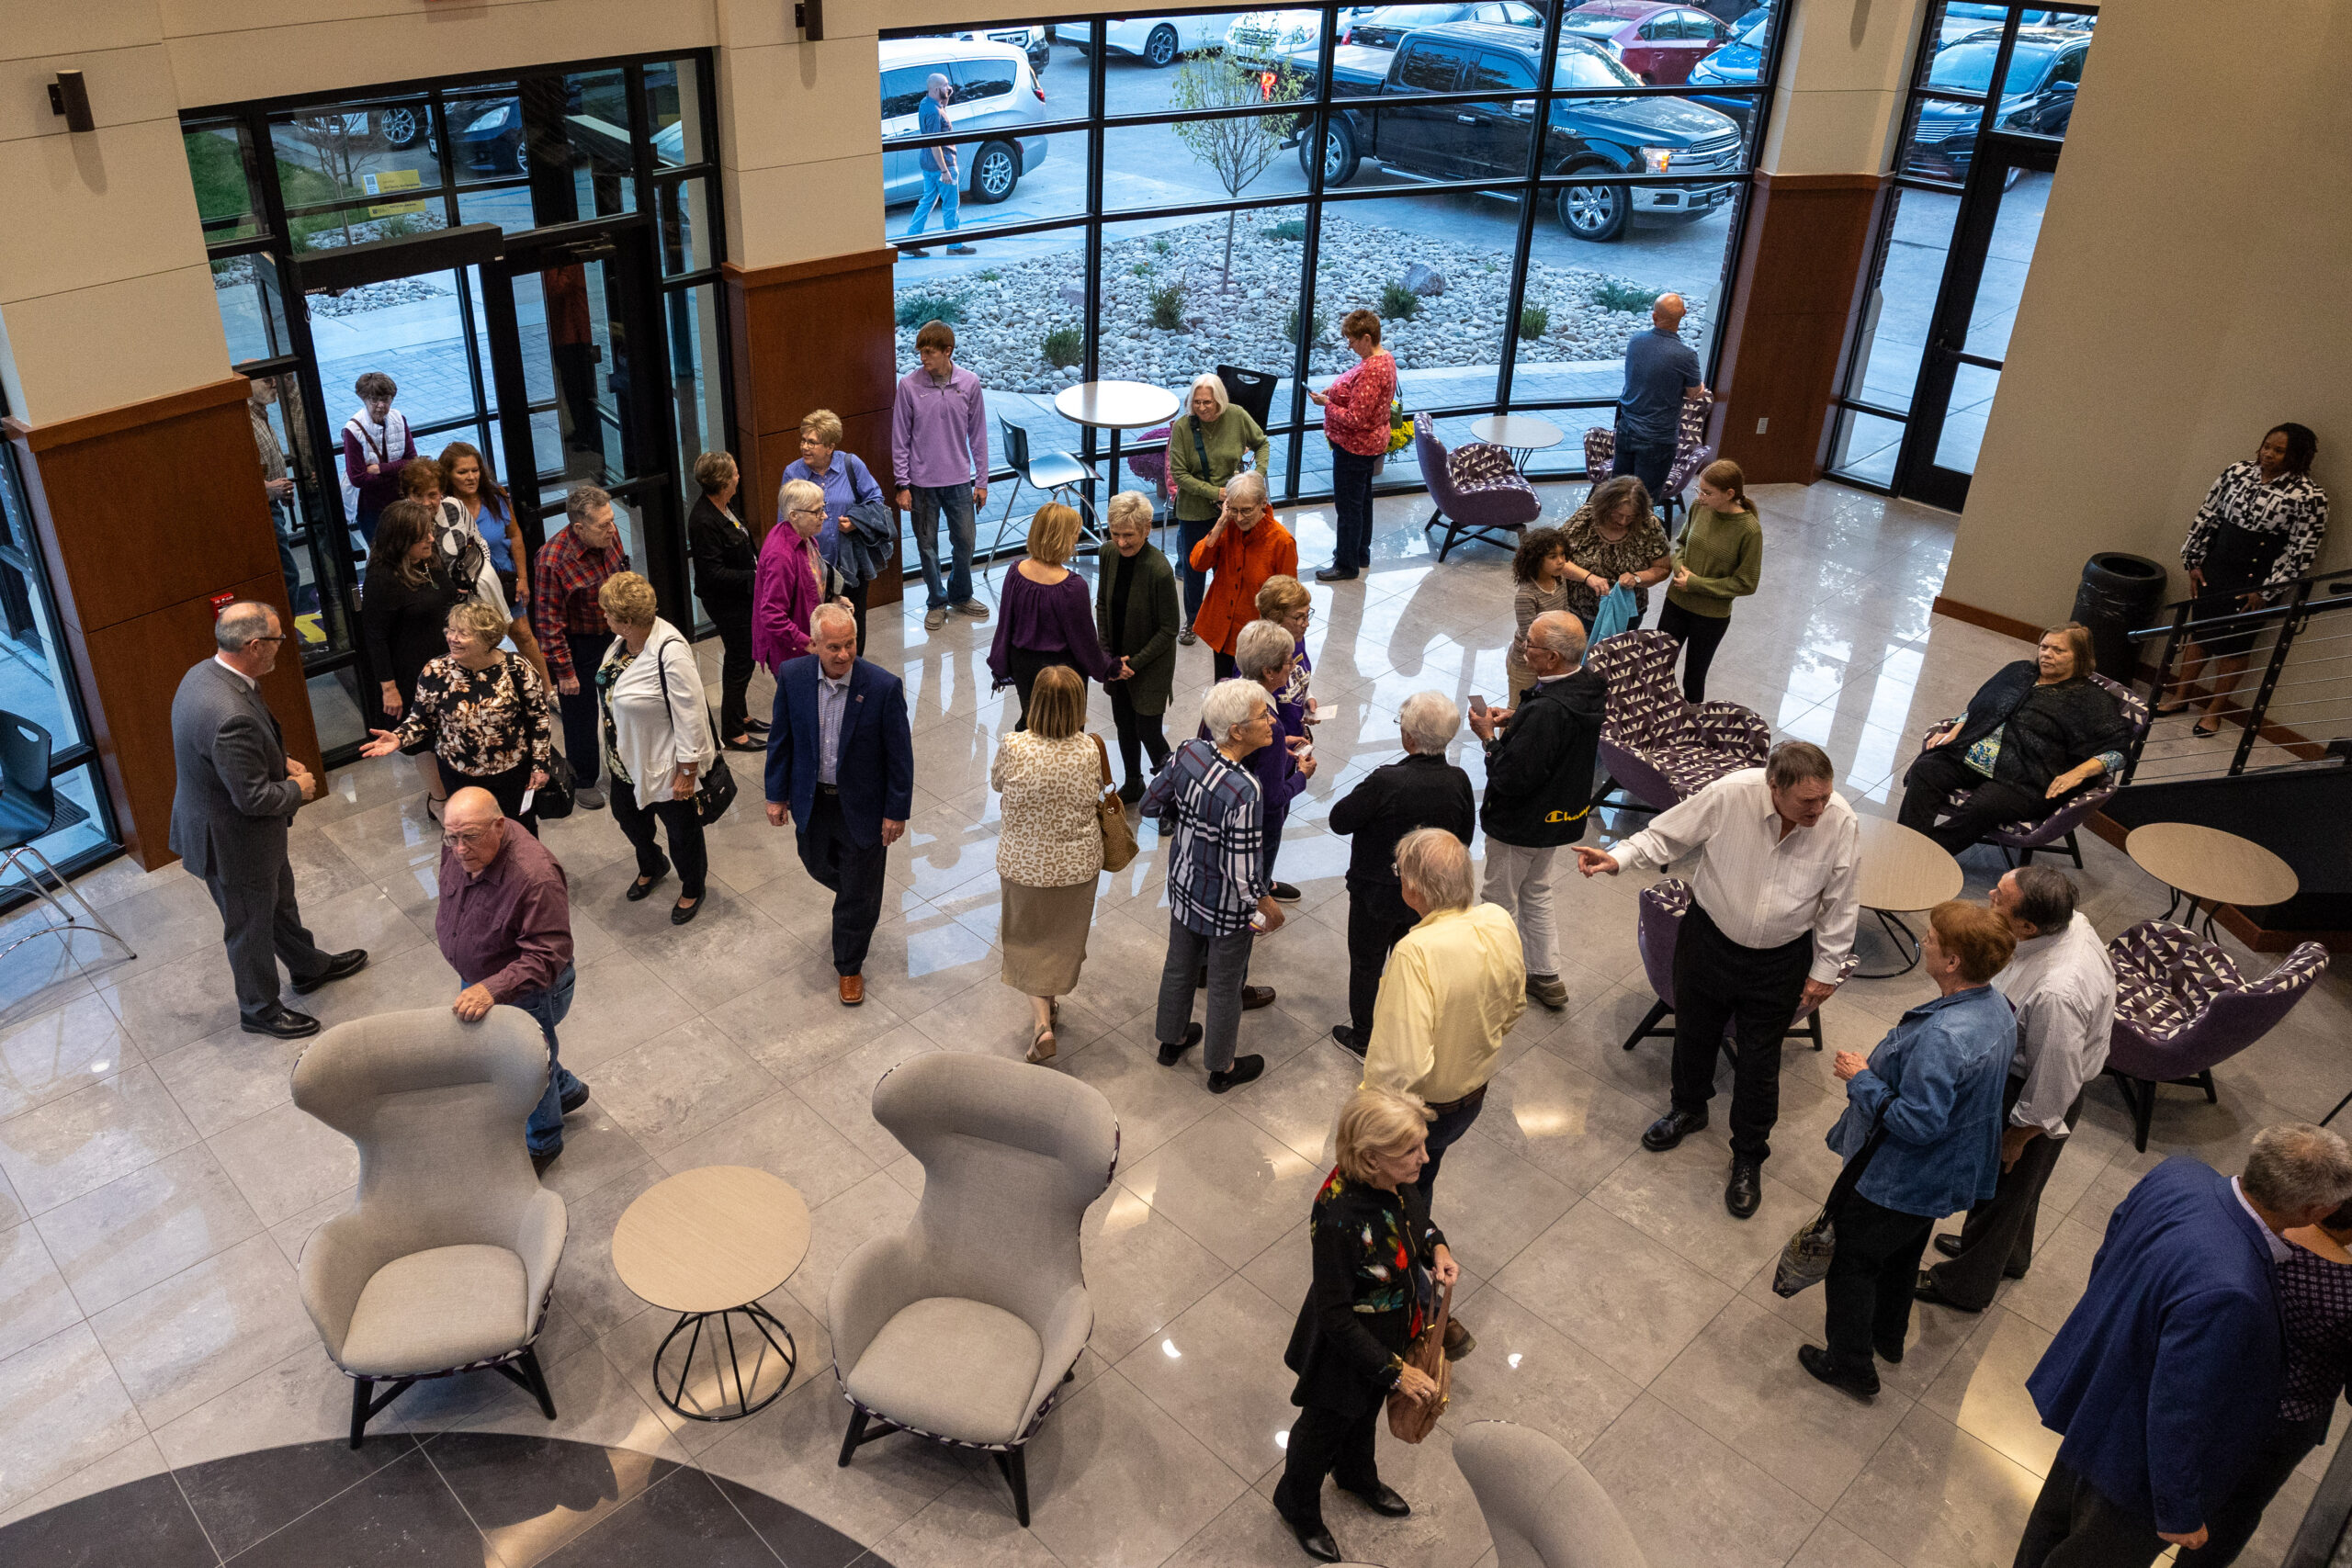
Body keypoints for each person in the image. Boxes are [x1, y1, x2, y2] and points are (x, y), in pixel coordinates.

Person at [2016, 1126, 2352, 1567]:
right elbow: (2180, 1407)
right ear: (2315, 1210)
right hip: (2139, 1467)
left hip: (2097, 1399)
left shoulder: (2178, 1173)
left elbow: (2111, 1250)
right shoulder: (2236, 1291)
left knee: (2052, 1521)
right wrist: (2177, 1512)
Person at [1575, 740, 1860, 1221]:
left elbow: (1842, 898)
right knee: (1693, 1031)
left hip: (1780, 959)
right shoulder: (1731, 793)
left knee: (1759, 1062)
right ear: (1774, 787)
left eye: (1824, 797)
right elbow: (1668, 835)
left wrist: (1826, 967)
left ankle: (1748, 1156)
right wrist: (1619, 857)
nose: (1819, 808)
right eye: (1807, 801)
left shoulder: (1839, 821)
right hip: (1709, 940)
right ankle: (1687, 1108)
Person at [1800, 901, 2018, 1401]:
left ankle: (1850, 1364)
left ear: (1954, 962)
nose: (1926, 940)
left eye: (1934, 939)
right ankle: (1887, 1336)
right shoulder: (1997, 1009)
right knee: (1902, 1252)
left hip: (1900, 1174)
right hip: (1941, 1175)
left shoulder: (1943, 1035)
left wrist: (1862, 1080)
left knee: (1852, 1259)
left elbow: (1917, 1122)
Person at [1274, 1086, 1459, 1564]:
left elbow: (1417, 1220)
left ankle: (1356, 1475)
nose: (1423, 1157)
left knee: (1363, 1416)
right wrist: (1396, 1372)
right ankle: (1296, 1503)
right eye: (1410, 1150)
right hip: (1345, 1351)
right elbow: (1335, 1315)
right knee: (1320, 1431)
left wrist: (1436, 1247)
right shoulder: (1337, 1217)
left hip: (1388, 1334)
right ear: (1370, 1157)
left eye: (1422, 1144)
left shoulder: (1396, 1182)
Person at [1917, 866, 2113, 1314]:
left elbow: (2054, 1080)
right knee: (2023, 1190)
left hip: (2034, 1094)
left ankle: (1965, 1285)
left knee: (2002, 1188)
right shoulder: (2069, 922)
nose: (1988, 894)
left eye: (1998, 899)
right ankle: (2007, 1257)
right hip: (2034, 1078)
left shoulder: (2057, 992)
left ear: (2027, 926)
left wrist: (2019, 1135)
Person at [169, 602, 367, 1041]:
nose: (286, 645)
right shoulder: (229, 714)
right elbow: (254, 798)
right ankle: (258, 1008)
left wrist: (280, 762)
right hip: (233, 843)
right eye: (280, 638)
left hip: (248, 838)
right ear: (254, 646)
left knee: (278, 903)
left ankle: (308, 968)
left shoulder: (205, 673)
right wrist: (299, 789)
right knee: (249, 927)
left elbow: (236, 762)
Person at [2179, 1199, 2352, 1567]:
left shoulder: (2265, 1230)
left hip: (2216, 1381)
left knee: (2182, 1474)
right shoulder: (2347, 1291)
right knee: (2236, 1510)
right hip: (2285, 1417)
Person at [1361, 829, 1524, 1207]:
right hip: (1472, 1099)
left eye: (1398, 872)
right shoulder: (1498, 920)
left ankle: (1401, 1258)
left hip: (1421, 1113)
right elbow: (1513, 1008)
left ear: (1413, 887)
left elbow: (1403, 1066)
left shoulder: (1415, 951)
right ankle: (1420, 1245)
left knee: (1388, 1198)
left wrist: (1368, 1120)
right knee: (1424, 1177)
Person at [765, 604, 915, 1006]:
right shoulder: (793, 678)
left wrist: (896, 810)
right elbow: (782, 739)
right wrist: (775, 794)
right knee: (817, 863)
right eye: (833, 646)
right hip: (813, 802)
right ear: (814, 644)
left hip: (863, 806)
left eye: (849, 644)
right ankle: (857, 894)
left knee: (857, 891)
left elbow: (900, 756)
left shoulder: (882, 687)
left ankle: (849, 965)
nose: (844, 654)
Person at [1146, 679, 1287, 1094]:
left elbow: (1153, 803)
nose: (1272, 722)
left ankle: (1169, 1043)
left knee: (1179, 967)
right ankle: (1220, 1068)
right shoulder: (1245, 790)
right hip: (1226, 908)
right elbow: (1243, 872)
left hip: (1184, 887)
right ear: (1238, 731)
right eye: (1263, 715)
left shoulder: (1189, 750)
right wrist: (1266, 907)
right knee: (1225, 986)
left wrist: (1193, 817)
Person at [435, 787, 588, 1170]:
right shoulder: (459, 841)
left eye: (468, 836)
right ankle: (565, 1089)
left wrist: (491, 989)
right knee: (535, 1052)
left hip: (526, 990)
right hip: (483, 978)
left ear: (498, 826)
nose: (459, 849)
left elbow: (547, 954)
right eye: (450, 837)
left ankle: (543, 1142)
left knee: (526, 1065)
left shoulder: (535, 877)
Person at [1896, 622, 2131, 858]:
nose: (2047, 654)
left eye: (2058, 650)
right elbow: (1981, 704)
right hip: (1973, 753)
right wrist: (1958, 727)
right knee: (1926, 769)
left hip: (2027, 778)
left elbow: (2118, 750)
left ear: (2079, 656)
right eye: (2044, 646)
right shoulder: (2017, 671)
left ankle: (1926, 856)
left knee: (1985, 806)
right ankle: (1908, 844)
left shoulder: (2091, 699)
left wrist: (2077, 773)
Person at [1471, 612, 1606, 1014]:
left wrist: (1489, 739)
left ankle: (1497, 981)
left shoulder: (1547, 712)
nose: (1521, 645)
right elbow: (1557, 735)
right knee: (1537, 890)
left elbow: (1512, 777)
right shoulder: (1588, 686)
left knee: (1498, 900)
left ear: (1549, 658)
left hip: (1521, 822)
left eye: (1528, 642)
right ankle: (1546, 974)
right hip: (1559, 816)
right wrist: (1521, 718)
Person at [1329, 692, 1475, 1058]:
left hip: (1376, 893)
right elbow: (1465, 838)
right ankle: (1410, 1031)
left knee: (1366, 962)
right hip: (1429, 897)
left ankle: (1364, 1037)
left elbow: (1340, 820)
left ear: (1410, 738)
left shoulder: (1386, 781)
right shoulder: (1459, 780)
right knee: (1414, 964)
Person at [2169, 423, 2329, 739]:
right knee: (2199, 632)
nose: (2267, 454)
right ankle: (2179, 697)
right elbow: (2208, 514)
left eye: (2278, 450)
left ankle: (2214, 711)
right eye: (2266, 446)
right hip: (2216, 567)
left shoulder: (2310, 496)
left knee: (2234, 645)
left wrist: (2269, 591)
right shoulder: (2237, 472)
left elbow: (2302, 550)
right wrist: (2194, 560)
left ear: (2296, 456)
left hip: (2257, 580)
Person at [357, 601, 553, 836]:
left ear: (487, 638)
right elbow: (421, 719)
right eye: (450, 630)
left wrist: (540, 764)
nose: (452, 638)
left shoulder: (517, 668)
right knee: (471, 835)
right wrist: (398, 738)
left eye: (463, 633)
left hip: (512, 772)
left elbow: (539, 717)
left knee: (519, 833)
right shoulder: (436, 670)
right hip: (460, 775)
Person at [990, 665, 1102, 1065]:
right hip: (1076, 867)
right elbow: (1095, 795)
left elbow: (998, 784)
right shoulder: (1089, 748)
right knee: (1058, 943)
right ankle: (1048, 1011)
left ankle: (1042, 1026)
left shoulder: (1013, 745)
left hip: (1024, 866)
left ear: (1032, 702)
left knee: (1025, 942)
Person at [594, 572, 717, 926]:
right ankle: (652, 864)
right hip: (624, 762)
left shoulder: (670, 652)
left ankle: (693, 886)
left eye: (609, 614)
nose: (605, 618)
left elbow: (691, 716)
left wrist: (687, 773)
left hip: (664, 765)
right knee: (628, 818)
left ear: (628, 621)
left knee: (682, 832)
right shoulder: (623, 644)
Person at [359, 498, 466, 815]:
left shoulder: (428, 561)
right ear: (401, 539)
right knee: (425, 739)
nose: (431, 540)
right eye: (423, 536)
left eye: (430, 532)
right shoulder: (382, 578)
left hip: (450, 663)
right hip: (413, 673)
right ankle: (439, 800)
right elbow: (375, 637)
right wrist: (388, 687)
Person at [531, 483, 629, 809]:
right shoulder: (552, 560)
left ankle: (627, 766)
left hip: (616, 634)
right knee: (580, 715)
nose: (612, 530)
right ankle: (584, 778)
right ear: (578, 527)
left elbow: (623, 575)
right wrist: (565, 673)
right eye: (603, 525)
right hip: (580, 645)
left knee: (625, 704)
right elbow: (548, 624)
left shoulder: (609, 537)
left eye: (612, 520)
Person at [891, 319, 990, 630]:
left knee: (966, 541)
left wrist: (982, 481)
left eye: (929, 353)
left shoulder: (970, 383)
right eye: (921, 353)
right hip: (921, 486)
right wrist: (902, 484)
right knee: (926, 545)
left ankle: (961, 595)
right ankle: (937, 600)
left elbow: (979, 435)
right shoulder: (908, 386)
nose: (923, 359)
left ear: (948, 351)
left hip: (960, 481)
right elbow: (899, 438)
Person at [988, 502, 1121, 726]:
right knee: (1066, 732)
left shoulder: (1015, 572)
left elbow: (1005, 625)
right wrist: (1109, 667)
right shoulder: (1072, 587)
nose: (1076, 542)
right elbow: (1085, 644)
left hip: (1024, 666)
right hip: (1063, 675)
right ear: (1062, 539)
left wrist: (1001, 664)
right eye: (1074, 536)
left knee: (1033, 724)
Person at [1167, 372, 1272, 637]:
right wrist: (1217, 492)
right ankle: (1192, 621)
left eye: (1208, 403)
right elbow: (1180, 474)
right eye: (1197, 402)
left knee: (1229, 567)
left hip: (1232, 510)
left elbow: (1262, 444)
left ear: (1220, 401)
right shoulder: (1182, 428)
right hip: (1194, 511)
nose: (1202, 408)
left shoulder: (1236, 416)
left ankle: (1226, 617)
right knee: (1194, 568)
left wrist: (1255, 477)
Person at [439, 442, 549, 687]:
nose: (471, 477)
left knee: (523, 636)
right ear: (448, 474)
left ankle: (547, 689)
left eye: (475, 470)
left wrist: (523, 578)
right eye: (462, 472)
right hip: (469, 591)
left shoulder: (495, 496)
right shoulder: (444, 508)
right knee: (479, 645)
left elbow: (516, 536)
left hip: (505, 581)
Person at [1095, 491, 1181, 801]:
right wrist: (1107, 657)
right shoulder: (1107, 554)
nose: (1121, 542)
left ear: (1147, 529)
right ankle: (1134, 782)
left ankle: (1172, 795)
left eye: (1128, 535)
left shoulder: (1159, 570)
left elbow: (1170, 628)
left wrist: (1135, 663)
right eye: (1115, 534)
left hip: (1150, 666)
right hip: (1117, 663)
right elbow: (1102, 605)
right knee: (1124, 725)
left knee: (1148, 731)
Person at [1225, 618, 1316, 906]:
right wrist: (1301, 774)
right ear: (1269, 671)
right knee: (1255, 875)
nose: (1292, 666)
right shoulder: (1270, 725)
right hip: (1257, 823)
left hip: (1225, 805)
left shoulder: (1224, 691)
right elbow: (1273, 799)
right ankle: (1258, 901)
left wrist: (1277, 749)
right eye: (1288, 661)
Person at [783, 409, 888, 653]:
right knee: (817, 625)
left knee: (852, 621)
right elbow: (786, 523)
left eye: (812, 442)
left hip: (850, 563)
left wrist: (855, 521)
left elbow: (876, 500)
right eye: (803, 440)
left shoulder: (852, 464)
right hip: (813, 567)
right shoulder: (793, 473)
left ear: (830, 447)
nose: (804, 447)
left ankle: (853, 668)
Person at [1658, 457, 1762, 703]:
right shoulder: (1699, 508)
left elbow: (1746, 582)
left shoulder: (1749, 530)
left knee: (1693, 678)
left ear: (1729, 494)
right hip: (1676, 602)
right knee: (1658, 668)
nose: (1701, 496)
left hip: (1710, 616)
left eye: (1707, 492)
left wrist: (1695, 584)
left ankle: (1690, 732)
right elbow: (1681, 544)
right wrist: (1679, 568)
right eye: (1699, 490)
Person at [1307, 310, 1397, 583]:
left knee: (1348, 507)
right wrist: (1334, 392)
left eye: (1352, 339)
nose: (1349, 345)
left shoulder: (1372, 369)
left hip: (1355, 447)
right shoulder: (1385, 359)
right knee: (1362, 501)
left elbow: (1356, 419)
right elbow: (1360, 399)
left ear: (1367, 338)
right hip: (1370, 445)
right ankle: (1360, 553)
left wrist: (1327, 404)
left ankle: (1346, 564)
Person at [1190, 471, 1297, 682]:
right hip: (1224, 634)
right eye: (1234, 510)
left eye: (1246, 511)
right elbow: (1198, 563)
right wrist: (1221, 522)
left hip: (1257, 642)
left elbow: (1288, 601)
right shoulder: (1228, 527)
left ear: (1262, 503)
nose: (1239, 518)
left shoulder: (1282, 542)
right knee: (1223, 694)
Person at [687, 450, 761, 751]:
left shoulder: (724, 507)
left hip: (741, 596)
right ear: (722, 482)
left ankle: (741, 715)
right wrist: (755, 577)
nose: (738, 476)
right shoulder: (704, 520)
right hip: (726, 602)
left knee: (743, 656)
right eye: (733, 473)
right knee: (740, 659)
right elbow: (712, 573)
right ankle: (732, 731)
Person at [1611, 291, 1709, 502]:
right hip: (1659, 439)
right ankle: (1638, 535)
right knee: (1643, 501)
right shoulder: (1686, 356)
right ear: (1684, 314)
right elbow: (1694, 392)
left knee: (1616, 494)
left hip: (1627, 428)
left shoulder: (1636, 342)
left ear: (1654, 316)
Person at [754, 478, 854, 674]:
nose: (824, 516)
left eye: (822, 508)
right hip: (792, 654)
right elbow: (772, 616)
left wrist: (834, 600)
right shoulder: (781, 556)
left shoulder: (806, 538)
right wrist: (808, 644)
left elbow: (812, 586)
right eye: (816, 511)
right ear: (794, 515)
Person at [1559, 475, 1672, 631]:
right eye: (1618, 514)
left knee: (1619, 653)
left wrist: (1637, 578)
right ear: (1606, 506)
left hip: (1627, 613)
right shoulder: (1586, 516)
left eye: (1630, 517)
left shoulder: (1649, 524)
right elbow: (1554, 559)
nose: (1623, 522)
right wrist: (1587, 577)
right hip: (1582, 611)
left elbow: (1663, 569)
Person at [249, 378, 311, 615]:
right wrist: (269, 488)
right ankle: (283, 639)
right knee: (287, 576)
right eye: (266, 380)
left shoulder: (259, 414)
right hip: (263, 509)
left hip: (273, 505)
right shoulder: (244, 420)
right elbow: (235, 474)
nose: (274, 384)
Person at [900, 73, 976, 258]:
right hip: (943, 165)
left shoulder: (926, 103)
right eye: (945, 86)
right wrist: (945, 171)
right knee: (951, 205)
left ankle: (911, 241)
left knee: (926, 202)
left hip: (927, 164)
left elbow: (941, 115)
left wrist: (946, 98)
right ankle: (954, 245)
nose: (949, 87)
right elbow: (935, 142)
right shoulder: (934, 112)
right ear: (935, 89)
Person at [342, 370, 415, 545]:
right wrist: (397, 472)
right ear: (364, 399)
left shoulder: (399, 419)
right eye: (374, 400)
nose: (381, 405)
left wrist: (381, 469)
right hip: (371, 509)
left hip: (400, 501)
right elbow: (358, 478)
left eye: (386, 399)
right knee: (383, 556)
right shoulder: (353, 430)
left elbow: (412, 461)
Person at [1505, 526, 1572, 711]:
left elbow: (1564, 615)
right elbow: (1531, 637)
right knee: (1516, 712)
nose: (1561, 561)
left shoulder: (1559, 579)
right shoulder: (1526, 595)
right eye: (1553, 556)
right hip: (1525, 663)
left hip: (1550, 657)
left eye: (1562, 554)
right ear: (1536, 560)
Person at [1257, 574, 1317, 735]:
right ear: (1274, 619)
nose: (1307, 623)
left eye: (1307, 614)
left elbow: (1297, 677)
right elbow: (1253, 726)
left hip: (1296, 734)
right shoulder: (1256, 658)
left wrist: (1306, 698)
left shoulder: (1296, 638)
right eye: (1299, 617)